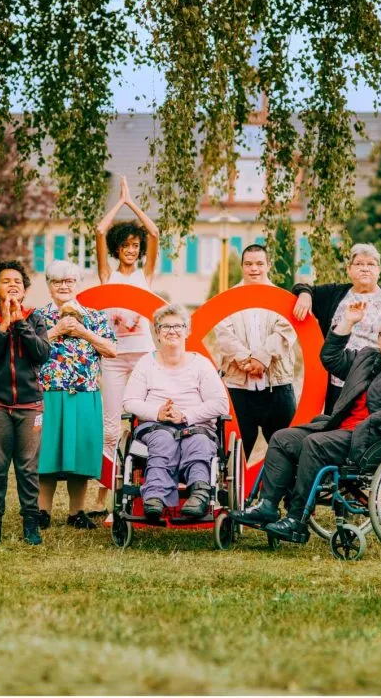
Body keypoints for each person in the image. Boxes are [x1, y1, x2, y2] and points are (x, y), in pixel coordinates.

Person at [231, 302, 381, 542]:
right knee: (283, 438)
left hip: (374, 436)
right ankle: (267, 506)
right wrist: (347, 323)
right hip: (341, 431)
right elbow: (331, 358)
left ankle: (296, 520)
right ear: (378, 340)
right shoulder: (367, 358)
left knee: (315, 444)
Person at [292, 242, 381, 413]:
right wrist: (305, 295)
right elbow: (301, 287)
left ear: (379, 270)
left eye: (370, 264)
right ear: (349, 269)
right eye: (359, 264)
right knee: (339, 429)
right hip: (341, 379)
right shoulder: (333, 294)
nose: (365, 269)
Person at [122, 304, 229, 518]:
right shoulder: (146, 363)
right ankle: (154, 497)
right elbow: (129, 402)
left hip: (195, 426)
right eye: (165, 327)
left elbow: (220, 404)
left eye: (178, 326)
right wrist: (157, 413)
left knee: (196, 441)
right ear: (157, 333)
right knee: (163, 440)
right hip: (155, 427)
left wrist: (186, 415)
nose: (172, 331)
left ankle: (199, 494)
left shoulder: (201, 364)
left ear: (187, 331)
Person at [93, 175, 159, 518]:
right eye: (127, 245)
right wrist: (119, 203)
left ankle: (142, 493)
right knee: (109, 428)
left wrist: (134, 203)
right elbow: (100, 232)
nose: (132, 250)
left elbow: (155, 233)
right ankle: (104, 499)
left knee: (144, 426)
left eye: (136, 245)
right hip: (114, 357)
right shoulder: (109, 276)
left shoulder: (143, 277)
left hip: (144, 354)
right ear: (119, 248)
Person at [35, 260, 117, 530]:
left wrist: (83, 332)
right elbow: (26, 350)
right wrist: (56, 331)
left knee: (80, 452)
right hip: (48, 393)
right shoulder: (37, 317)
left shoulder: (94, 317)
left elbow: (111, 350)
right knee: (46, 453)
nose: (63, 286)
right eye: (57, 281)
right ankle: (41, 511)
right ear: (49, 286)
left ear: (77, 284)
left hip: (84, 393)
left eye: (69, 281)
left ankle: (76, 512)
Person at [0, 260, 51, 546]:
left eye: (18, 281)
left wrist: (20, 323)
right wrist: (4, 324)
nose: (12, 285)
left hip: (30, 405)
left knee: (28, 467)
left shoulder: (35, 319)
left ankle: (30, 523)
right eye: (6, 281)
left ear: (25, 289)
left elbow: (42, 354)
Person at [214, 243, 297, 461]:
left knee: (287, 448)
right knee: (234, 452)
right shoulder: (228, 298)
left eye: (259, 264)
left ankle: (286, 494)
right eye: (249, 264)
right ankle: (235, 494)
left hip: (277, 385)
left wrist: (261, 358)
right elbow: (223, 333)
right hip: (238, 387)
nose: (254, 269)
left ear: (268, 265)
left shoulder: (282, 297)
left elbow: (286, 331)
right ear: (242, 266)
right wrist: (244, 359)